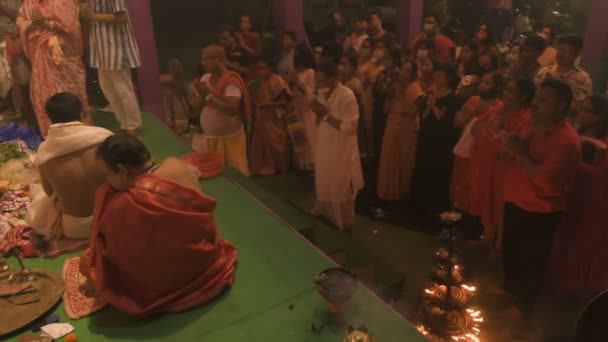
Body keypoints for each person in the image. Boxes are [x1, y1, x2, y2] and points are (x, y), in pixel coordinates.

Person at [79, 134, 238, 316]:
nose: (107, 182)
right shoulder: (176, 165)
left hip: (177, 277)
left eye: (107, 175)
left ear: (122, 171)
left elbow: (115, 253)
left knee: (91, 262)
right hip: (208, 256)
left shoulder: (130, 202)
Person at [500, 79, 581, 319]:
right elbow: (512, 150)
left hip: (541, 209)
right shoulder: (531, 123)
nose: (536, 102)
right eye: (537, 96)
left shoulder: (566, 140)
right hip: (516, 199)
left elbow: (546, 180)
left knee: (531, 258)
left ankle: (525, 305)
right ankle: (510, 289)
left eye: (544, 99)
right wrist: (511, 149)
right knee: (511, 250)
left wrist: (519, 153)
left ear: (561, 106)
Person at [26, 93, 113, 240]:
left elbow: (49, 192)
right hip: (112, 217)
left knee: (37, 194)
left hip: (76, 228)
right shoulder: (105, 137)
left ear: (50, 119)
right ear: (81, 114)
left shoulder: (45, 151)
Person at [549, 95, 608, 298]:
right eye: (581, 109)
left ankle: (574, 283)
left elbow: (600, 174)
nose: (581, 114)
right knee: (565, 233)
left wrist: (574, 163)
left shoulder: (604, 141)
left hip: (594, 199)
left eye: (587, 111)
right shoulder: (577, 133)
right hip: (573, 193)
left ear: (599, 117)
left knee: (583, 240)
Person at [470, 79, 535, 253]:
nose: (506, 94)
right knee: (490, 199)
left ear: (524, 97)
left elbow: (516, 146)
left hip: (508, 169)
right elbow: (475, 129)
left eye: (511, 91)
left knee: (501, 204)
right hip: (490, 164)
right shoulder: (500, 109)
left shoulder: (527, 117)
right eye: (505, 89)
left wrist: (500, 131)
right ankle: (488, 237)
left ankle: (500, 246)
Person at [17, 0, 90, 138]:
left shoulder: (64, 2)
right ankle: (52, 132)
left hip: (65, 56)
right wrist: (32, 23)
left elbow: (72, 28)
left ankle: (77, 130)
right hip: (40, 54)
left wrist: (46, 24)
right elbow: (20, 21)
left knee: (68, 92)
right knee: (44, 92)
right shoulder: (29, 3)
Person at [311, 61, 363, 231]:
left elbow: (350, 127)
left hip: (342, 146)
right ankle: (323, 209)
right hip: (325, 141)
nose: (319, 84)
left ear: (333, 78)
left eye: (321, 80)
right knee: (324, 174)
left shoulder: (347, 95)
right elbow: (319, 116)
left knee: (339, 180)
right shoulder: (323, 92)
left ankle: (342, 220)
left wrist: (325, 114)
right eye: (317, 80)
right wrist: (317, 109)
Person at [80, 0, 142, 136]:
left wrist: (93, 16)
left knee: (122, 87)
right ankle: (124, 123)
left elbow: (122, 16)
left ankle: (133, 124)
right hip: (101, 45)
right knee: (107, 87)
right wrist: (85, 10)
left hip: (116, 45)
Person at [190, 45, 251, 176]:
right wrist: (201, 95)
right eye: (203, 59)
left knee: (236, 176)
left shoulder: (231, 80)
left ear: (218, 60)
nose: (203, 63)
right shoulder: (205, 78)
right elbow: (196, 107)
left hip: (230, 140)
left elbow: (232, 109)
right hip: (209, 138)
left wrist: (208, 94)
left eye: (206, 59)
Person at [410, 64, 461, 219]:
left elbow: (444, 120)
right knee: (423, 167)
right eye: (436, 75)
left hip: (442, 140)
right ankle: (420, 203)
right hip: (428, 136)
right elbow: (424, 117)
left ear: (449, 78)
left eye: (441, 76)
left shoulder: (453, 98)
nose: (437, 78)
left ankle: (435, 206)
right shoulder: (430, 93)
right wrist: (428, 107)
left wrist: (433, 106)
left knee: (437, 171)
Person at [451, 71, 505, 214]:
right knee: (460, 186)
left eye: (488, 83)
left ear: (497, 87)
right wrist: (466, 116)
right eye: (482, 82)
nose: (482, 85)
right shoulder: (472, 100)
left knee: (478, 187)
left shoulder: (501, 107)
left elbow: (497, 133)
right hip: (464, 150)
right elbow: (457, 124)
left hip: (483, 155)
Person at [377, 61, 424, 202]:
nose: (403, 73)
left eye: (407, 71)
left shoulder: (415, 89)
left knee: (404, 159)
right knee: (388, 157)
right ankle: (387, 193)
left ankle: (402, 194)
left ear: (413, 74)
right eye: (402, 69)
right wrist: (390, 97)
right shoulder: (394, 87)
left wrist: (403, 97)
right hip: (392, 125)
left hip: (406, 128)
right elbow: (385, 109)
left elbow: (416, 111)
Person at [249, 57, 292, 176]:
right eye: (259, 69)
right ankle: (264, 166)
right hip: (261, 116)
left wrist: (268, 105)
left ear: (270, 69)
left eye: (264, 68)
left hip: (274, 117)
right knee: (261, 142)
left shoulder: (278, 80)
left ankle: (279, 167)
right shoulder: (258, 82)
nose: (261, 71)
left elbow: (285, 100)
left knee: (276, 142)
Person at [534, 35, 592, 107]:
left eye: (565, 51)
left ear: (577, 53)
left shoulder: (582, 78)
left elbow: (579, 106)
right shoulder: (545, 71)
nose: (560, 54)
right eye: (559, 50)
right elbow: (533, 95)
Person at [288, 49, 317, 171]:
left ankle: (311, 164)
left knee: (308, 135)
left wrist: (296, 81)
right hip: (295, 105)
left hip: (306, 108)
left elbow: (310, 93)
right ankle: (300, 164)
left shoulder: (310, 72)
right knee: (297, 134)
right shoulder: (292, 71)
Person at [339, 52, 369, 158]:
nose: (341, 67)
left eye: (344, 64)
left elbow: (363, 110)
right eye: (340, 64)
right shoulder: (341, 83)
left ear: (353, 67)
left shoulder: (354, 85)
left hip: (353, 127)